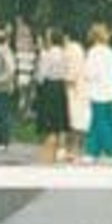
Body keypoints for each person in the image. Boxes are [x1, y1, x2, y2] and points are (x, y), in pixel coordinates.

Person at [83, 23, 112, 162]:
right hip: (111, 92)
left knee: (98, 123)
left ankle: (106, 151)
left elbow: (89, 73)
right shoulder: (111, 52)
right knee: (108, 122)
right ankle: (98, 151)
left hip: (97, 92)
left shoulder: (93, 52)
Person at [34, 28, 71, 163]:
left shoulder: (48, 54)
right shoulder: (64, 53)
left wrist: (38, 81)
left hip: (49, 87)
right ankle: (61, 149)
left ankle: (48, 152)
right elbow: (67, 70)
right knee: (60, 120)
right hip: (61, 86)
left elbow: (41, 74)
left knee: (50, 123)